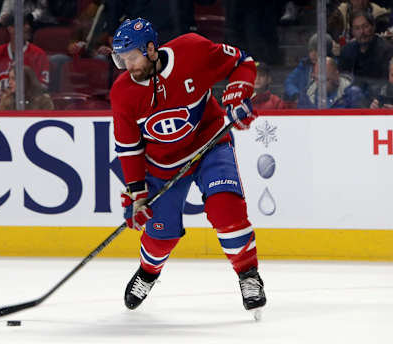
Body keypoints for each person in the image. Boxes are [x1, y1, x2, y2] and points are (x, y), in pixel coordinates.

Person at [109, 18, 266, 315]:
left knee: (226, 207)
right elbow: (129, 147)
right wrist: (136, 191)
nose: (128, 65)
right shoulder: (123, 92)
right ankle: (148, 272)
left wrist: (239, 92)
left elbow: (242, 61)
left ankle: (248, 275)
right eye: (122, 59)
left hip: (209, 143)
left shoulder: (192, 51)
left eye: (132, 57)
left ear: (151, 49)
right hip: (160, 163)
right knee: (160, 235)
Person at [0, 13, 49, 99]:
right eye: (23, 24)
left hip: (28, 106)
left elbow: (43, 86)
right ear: (10, 29)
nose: (28, 27)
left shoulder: (39, 54)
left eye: (28, 24)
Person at [338, 10, 393, 96]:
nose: (362, 32)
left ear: (373, 27)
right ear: (352, 31)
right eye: (357, 28)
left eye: (365, 26)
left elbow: (386, 85)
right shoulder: (347, 50)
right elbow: (342, 80)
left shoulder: (387, 51)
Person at [298, 56, 365, 108]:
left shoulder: (353, 95)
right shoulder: (306, 97)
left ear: (336, 76)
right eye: (317, 79)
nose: (320, 84)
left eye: (326, 79)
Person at [283, 33, 333, 102]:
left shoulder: (333, 68)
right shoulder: (304, 65)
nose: (313, 54)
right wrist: (296, 95)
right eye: (310, 50)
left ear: (326, 52)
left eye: (317, 50)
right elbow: (289, 82)